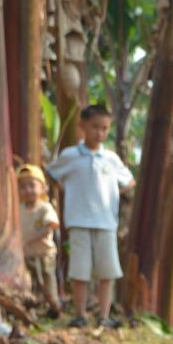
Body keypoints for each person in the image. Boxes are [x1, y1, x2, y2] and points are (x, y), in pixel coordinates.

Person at [45, 104, 133, 328]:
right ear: (82, 125)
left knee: (107, 271)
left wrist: (113, 192)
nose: (100, 133)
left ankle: (104, 317)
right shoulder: (71, 156)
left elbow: (129, 181)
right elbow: (52, 174)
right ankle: (80, 315)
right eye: (95, 127)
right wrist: (65, 190)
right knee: (80, 271)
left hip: (106, 223)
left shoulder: (111, 159)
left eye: (104, 128)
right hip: (78, 221)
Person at [19, 168, 63, 314]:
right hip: (26, 255)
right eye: (23, 187)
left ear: (43, 188)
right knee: (30, 284)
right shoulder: (19, 209)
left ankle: (54, 305)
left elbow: (51, 226)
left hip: (45, 254)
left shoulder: (45, 207)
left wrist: (29, 239)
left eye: (32, 185)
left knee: (47, 281)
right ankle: (32, 309)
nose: (28, 190)